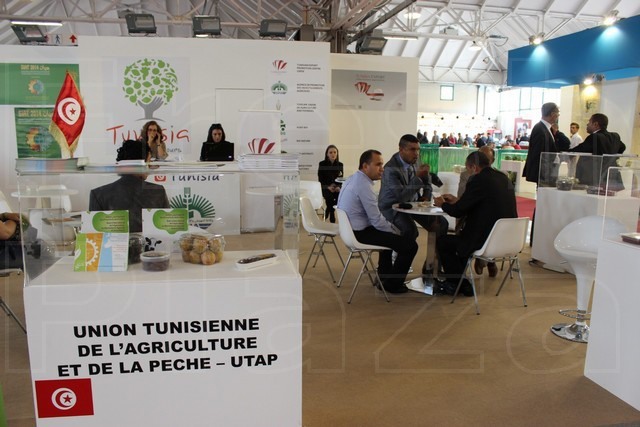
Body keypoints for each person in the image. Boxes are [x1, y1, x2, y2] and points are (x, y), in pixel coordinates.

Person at [434, 151, 517, 296]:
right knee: (460, 242)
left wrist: (442, 204)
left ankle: (458, 284)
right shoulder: (503, 178)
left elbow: (458, 212)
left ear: (474, 167)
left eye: (468, 168)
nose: (468, 172)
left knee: (444, 242)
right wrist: (458, 201)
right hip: (508, 240)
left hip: (485, 241)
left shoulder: (478, 179)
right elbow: (484, 203)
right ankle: (459, 284)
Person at [337, 150, 418, 294]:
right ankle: (393, 285)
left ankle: (384, 277)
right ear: (365, 166)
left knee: (387, 236)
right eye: (378, 164)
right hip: (359, 233)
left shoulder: (354, 179)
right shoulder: (363, 185)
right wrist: (394, 231)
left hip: (350, 231)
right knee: (410, 245)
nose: (382, 168)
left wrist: (390, 231)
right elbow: (376, 220)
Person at [378, 134, 448, 278]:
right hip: (392, 207)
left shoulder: (416, 159)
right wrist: (417, 178)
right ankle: (394, 273)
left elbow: (427, 182)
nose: (416, 153)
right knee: (410, 231)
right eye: (412, 149)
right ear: (401, 149)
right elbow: (401, 198)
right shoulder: (390, 169)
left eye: (418, 149)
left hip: (413, 204)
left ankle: (432, 267)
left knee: (441, 224)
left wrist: (425, 197)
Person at [89, 139, 170, 233]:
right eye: (148, 162)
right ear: (140, 164)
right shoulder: (158, 191)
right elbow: (167, 232)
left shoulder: (98, 194)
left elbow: (94, 236)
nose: (149, 168)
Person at [456, 146, 498, 277]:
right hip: (471, 212)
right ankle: (483, 258)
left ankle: (486, 257)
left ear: (492, 160)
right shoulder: (466, 174)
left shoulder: (500, 176)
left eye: (486, 158)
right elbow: (461, 196)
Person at [570, 113, 626, 186]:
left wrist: (564, 151)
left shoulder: (594, 137)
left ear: (595, 124)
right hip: (611, 176)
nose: (587, 124)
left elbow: (580, 149)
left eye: (589, 122)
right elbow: (622, 147)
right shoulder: (614, 136)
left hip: (595, 176)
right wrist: (613, 157)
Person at [522, 102, 561, 184]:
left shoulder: (547, 128)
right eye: (558, 113)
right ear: (552, 114)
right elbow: (538, 153)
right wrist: (544, 173)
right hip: (543, 172)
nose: (558, 116)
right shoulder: (540, 129)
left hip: (547, 171)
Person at [317, 145, 343, 223]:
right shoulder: (322, 164)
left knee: (340, 196)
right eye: (330, 152)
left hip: (336, 187)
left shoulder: (340, 165)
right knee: (330, 197)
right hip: (325, 187)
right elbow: (320, 180)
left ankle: (328, 209)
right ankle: (332, 213)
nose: (333, 154)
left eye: (335, 152)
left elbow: (340, 179)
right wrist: (328, 187)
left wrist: (338, 187)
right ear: (327, 154)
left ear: (337, 153)